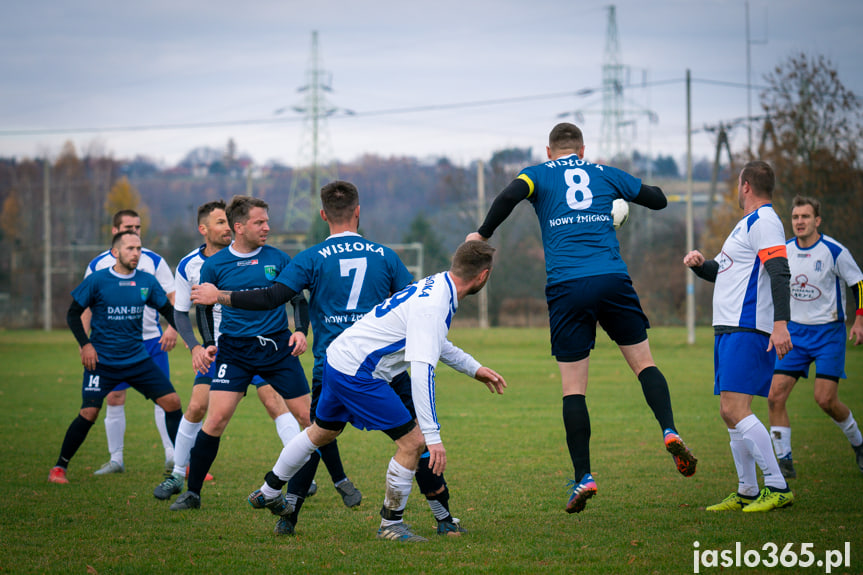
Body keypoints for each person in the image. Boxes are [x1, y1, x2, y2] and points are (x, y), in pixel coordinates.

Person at [193, 180, 467, 536]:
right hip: (383, 366)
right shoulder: (385, 255)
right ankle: (443, 519)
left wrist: (222, 297)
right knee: (416, 438)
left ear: (323, 215)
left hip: (333, 367)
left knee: (318, 435)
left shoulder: (309, 258)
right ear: (357, 211)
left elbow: (272, 297)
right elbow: (414, 307)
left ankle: (287, 514)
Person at [466, 122, 697, 515]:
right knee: (645, 364)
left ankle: (585, 476)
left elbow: (508, 195)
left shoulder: (536, 174)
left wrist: (481, 233)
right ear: (583, 150)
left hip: (567, 286)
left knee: (574, 389)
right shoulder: (604, 173)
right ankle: (670, 430)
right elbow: (658, 200)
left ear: (549, 150)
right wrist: (621, 193)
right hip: (612, 278)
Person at [242, 241, 505, 542]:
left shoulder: (433, 284)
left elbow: (432, 339)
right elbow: (421, 372)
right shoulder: (435, 304)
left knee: (321, 433)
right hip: (359, 372)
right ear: (483, 276)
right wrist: (433, 437)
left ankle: (269, 489)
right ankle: (390, 525)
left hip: (338, 357)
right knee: (413, 443)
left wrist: (473, 367)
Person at [152, 200, 302, 500]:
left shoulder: (268, 257)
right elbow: (183, 311)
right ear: (204, 229)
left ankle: (296, 473)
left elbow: (287, 297)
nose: (224, 228)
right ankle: (179, 476)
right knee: (199, 408)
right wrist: (198, 346)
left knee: (275, 402)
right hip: (223, 349)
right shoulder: (193, 265)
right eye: (218, 223)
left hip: (264, 345)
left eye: (225, 221)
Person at [684, 160, 795, 512]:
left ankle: (777, 487)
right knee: (728, 411)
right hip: (730, 327)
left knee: (736, 408)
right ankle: (747, 489)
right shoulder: (744, 226)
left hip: (748, 328)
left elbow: (779, 272)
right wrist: (702, 264)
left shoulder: (765, 222)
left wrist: (781, 324)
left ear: (745, 186)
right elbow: (724, 272)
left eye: (737, 184)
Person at [49, 231, 184, 484]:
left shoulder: (146, 281)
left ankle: (183, 464)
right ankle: (59, 468)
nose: (136, 253)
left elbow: (169, 311)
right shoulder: (98, 280)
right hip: (102, 363)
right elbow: (72, 314)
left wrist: (180, 331)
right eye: (130, 248)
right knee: (89, 412)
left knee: (173, 402)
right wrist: (85, 345)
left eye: (139, 249)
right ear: (116, 252)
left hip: (137, 360)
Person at [767, 195, 863, 478]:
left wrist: (859, 320)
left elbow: (858, 282)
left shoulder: (834, 251)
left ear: (817, 220)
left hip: (828, 334)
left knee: (825, 400)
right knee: (774, 396)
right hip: (794, 333)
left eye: (805, 217)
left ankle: (859, 443)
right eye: (795, 217)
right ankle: (784, 464)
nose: (799, 222)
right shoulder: (783, 250)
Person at [82, 209, 178, 475]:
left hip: (151, 341)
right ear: (115, 232)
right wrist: (85, 343)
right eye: (128, 227)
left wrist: (172, 327)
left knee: (165, 398)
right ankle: (116, 459)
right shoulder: (98, 265)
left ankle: (173, 456)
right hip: (112, 345)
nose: (135, 231)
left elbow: (172, 296)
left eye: (138, 227)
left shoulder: (154, 261)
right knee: (114, 397)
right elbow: (85, 307)